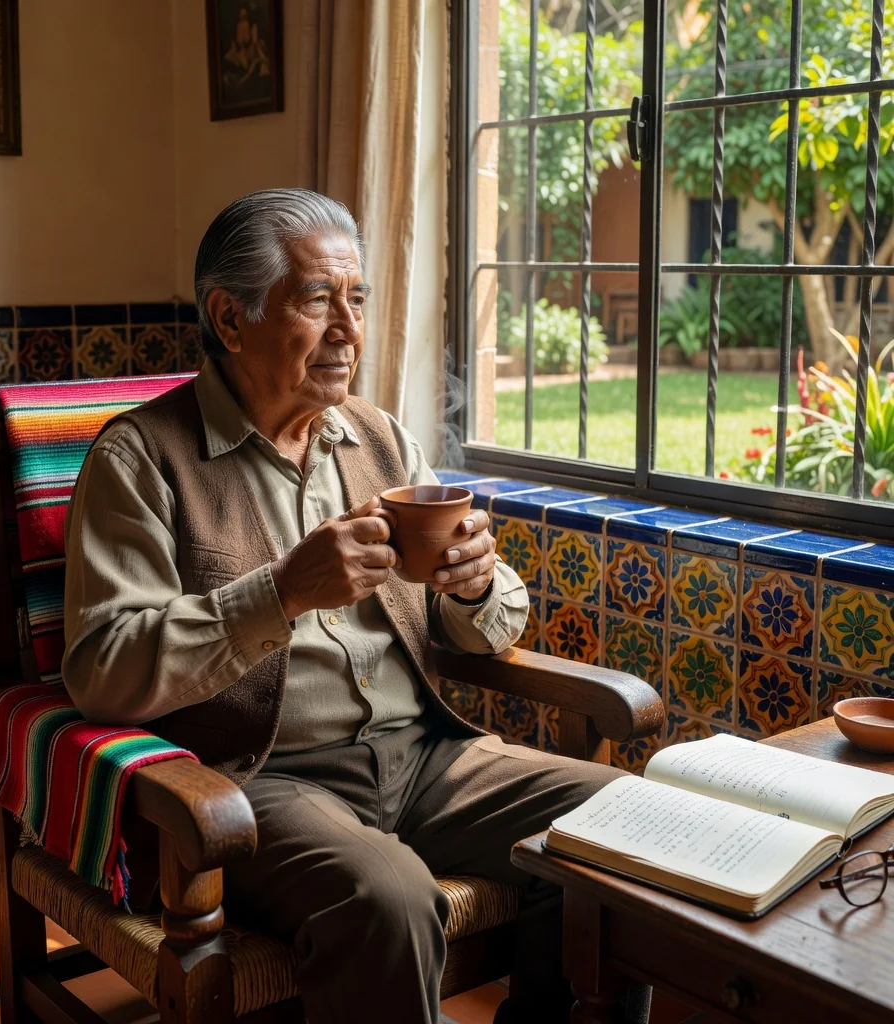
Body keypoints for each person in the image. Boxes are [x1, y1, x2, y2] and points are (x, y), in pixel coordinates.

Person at [62, 189, 648, 1024]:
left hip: (427, 756)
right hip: (256, 776)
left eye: (358, 297)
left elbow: (478, 628)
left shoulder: (376, 438)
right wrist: (282, 592)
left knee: (620, 823)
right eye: (316, 299)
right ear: (230, 319)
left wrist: (476, 586)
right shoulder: (141, 459)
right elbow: (101, 671)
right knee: (387, 895)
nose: (349, 327)